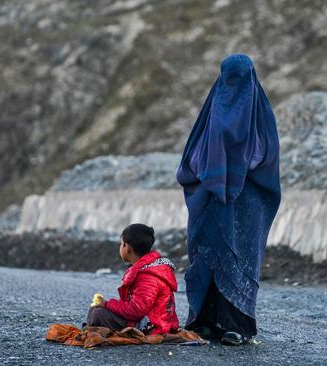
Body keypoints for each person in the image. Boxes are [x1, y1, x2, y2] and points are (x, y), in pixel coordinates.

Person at [176, 54, 281, 345]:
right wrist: (212, 176)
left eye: (239, 79)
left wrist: (235, 172)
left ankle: (237, 326)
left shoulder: (261, 117)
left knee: (240, 260)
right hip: (211, 201)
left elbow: (268, 158)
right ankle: (204, 322)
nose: (234, 87)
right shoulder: (211, 113)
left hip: (247, 204)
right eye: (229, 79)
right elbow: (191, 158)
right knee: (207, 257)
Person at [86, 223, 180, 335]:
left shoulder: (147, 276)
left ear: (127, 248)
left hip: (152, 325)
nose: (120, 247)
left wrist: (107, 304)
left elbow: (137, 310)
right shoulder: (147, 269)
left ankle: (102, 328)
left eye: (121, 244)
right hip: (151, 319)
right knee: (96, 311)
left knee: (98, 313)